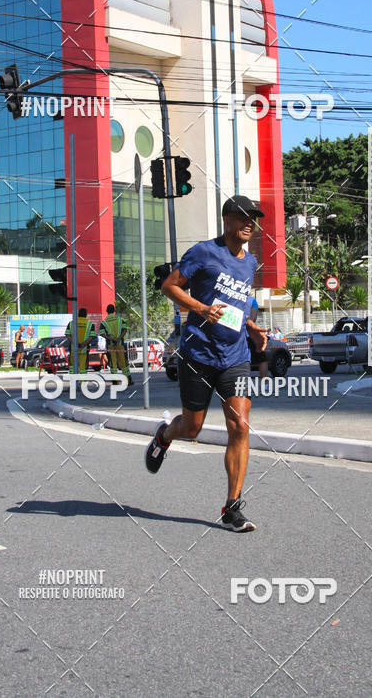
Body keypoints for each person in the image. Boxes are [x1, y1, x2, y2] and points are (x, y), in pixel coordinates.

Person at [145, 195, 267, 533]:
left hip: (236, 357)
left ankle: (232, 507)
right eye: (242, 217)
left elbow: (239, 303)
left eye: (253, 219)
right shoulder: (203, 252)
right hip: (199, 355)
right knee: (192, 428)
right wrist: (199, 309)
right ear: (226, 219)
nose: (249, 224)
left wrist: (252, 327)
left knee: (240, 426)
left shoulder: (250, 262)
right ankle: (165, 435)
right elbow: (169, 286)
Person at [100, 304, 131, 384]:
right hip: (120, 344)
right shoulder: (120, 320)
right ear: (114, 311)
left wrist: (112, 339)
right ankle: (128, 380)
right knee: (123, 362)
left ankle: (115, 381)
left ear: (107, 311)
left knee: (113, 363)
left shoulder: (104, 322)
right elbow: (124, 330)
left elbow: (102, 334)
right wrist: (118, 338)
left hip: (111, 345)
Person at [248, 296, 268, 378]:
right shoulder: (252, 300)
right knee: (262, 360)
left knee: (242, 361)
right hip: (250, 333)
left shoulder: (230, 298)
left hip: (234, 334)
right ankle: (266, 386)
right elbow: (253, 318)